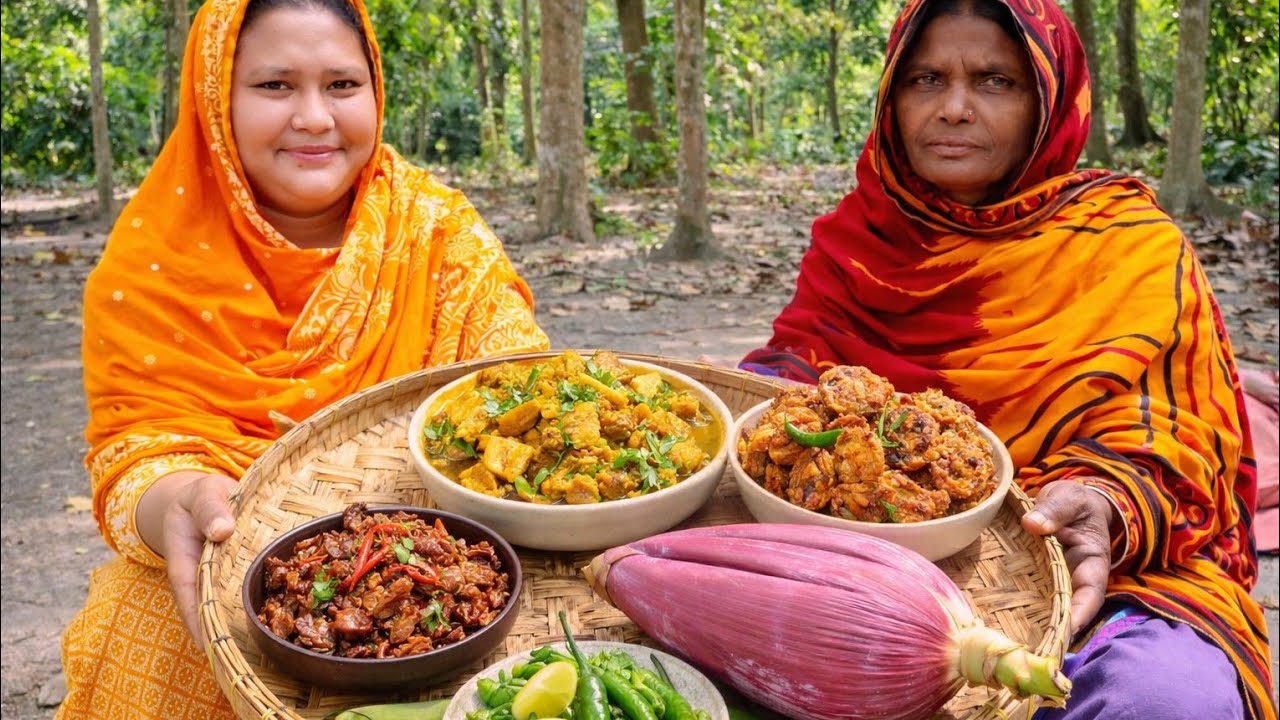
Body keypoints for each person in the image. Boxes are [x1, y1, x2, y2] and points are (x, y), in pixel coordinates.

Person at [738, 1, 1274, 719]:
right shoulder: (858, 242)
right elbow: (794, 381)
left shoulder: (1129, 244)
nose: (954, 108)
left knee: (1164, 700)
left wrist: (1106, 505)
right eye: (926, 79)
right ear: (892, 96)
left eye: (994, 81)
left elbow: (1177, 436)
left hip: (1097, 568)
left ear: (1049, 102)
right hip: (852, 560)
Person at [58, 0, 549, 717]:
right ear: (214, 98)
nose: (316, 117)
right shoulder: (146, 268)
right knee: (147, 620)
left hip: (447, 537)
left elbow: (514, 379)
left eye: (343, 86)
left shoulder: (438, 233)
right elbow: (140, 446)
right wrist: (183, 503)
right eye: (275, 86)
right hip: (237, 553)